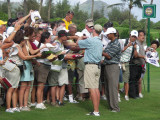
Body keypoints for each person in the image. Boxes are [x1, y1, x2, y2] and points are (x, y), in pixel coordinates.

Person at [77, 24, 103, 116]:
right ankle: (97, 110)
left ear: (93, 30)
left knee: (92, 89)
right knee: (96, 88)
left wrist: (80, 36)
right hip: (97, 67)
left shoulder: (90, 40)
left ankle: (96, 111)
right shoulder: (100, 41)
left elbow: (78, 43)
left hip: (90, 66)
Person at [102, 27, 121, 112]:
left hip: (113, 67)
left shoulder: (116, 43)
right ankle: (111, 106)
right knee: (107, 87)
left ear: (113, 34)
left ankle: (115, 108)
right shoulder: (110, 43)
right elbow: (106, 52)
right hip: (107, 66)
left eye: (108, 34)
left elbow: (109, 55)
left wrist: (99, 51)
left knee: (112, 87)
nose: (107, 35)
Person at [120, 30, 139, 101]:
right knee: (117, 80)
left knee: (126, 80)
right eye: (132, 36)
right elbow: (120, 50)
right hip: (119, 62)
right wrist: (128, 45)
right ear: (130, 35)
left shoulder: (135, 45)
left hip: (126, 63)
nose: (133, 38)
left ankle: (126, 95)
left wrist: (135, 48)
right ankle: (117, 94)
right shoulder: (123, 41)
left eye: (135, 37)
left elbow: (135, 56)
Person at [137, 30, 146, 98]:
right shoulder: (137, 44)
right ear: (137, 36)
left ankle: (139, 93)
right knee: (138, 80)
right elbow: (136, 54)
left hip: (142, 65)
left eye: (143, 35)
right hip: (137, 65)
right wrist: (143, 57)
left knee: (140, 79)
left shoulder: (142, 44)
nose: (143, 37)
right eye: (141, 35)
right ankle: (138, 93)